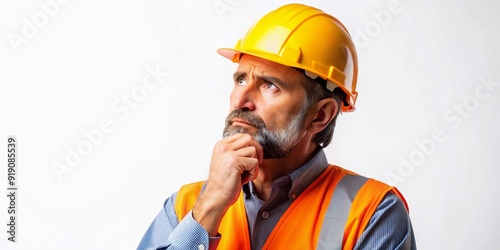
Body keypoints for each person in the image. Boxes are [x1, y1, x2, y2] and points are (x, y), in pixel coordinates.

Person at [138, 3, 416, 250]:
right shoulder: (187, 204)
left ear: (320, 116)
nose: (240, 99)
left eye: (270, 85)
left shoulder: (371, 211)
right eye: (240, 79)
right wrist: (209, 208)